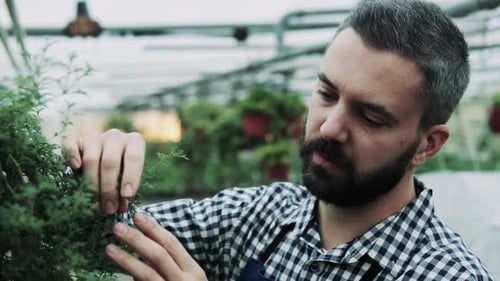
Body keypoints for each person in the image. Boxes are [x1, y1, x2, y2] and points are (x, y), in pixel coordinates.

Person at [64, 0, 495, 280]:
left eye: (370, 116)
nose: (328, 127)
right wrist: (88, 176)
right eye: (327, 94)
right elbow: (86, 235)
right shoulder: (260, 217)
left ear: (428, 144)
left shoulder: (442, 273)